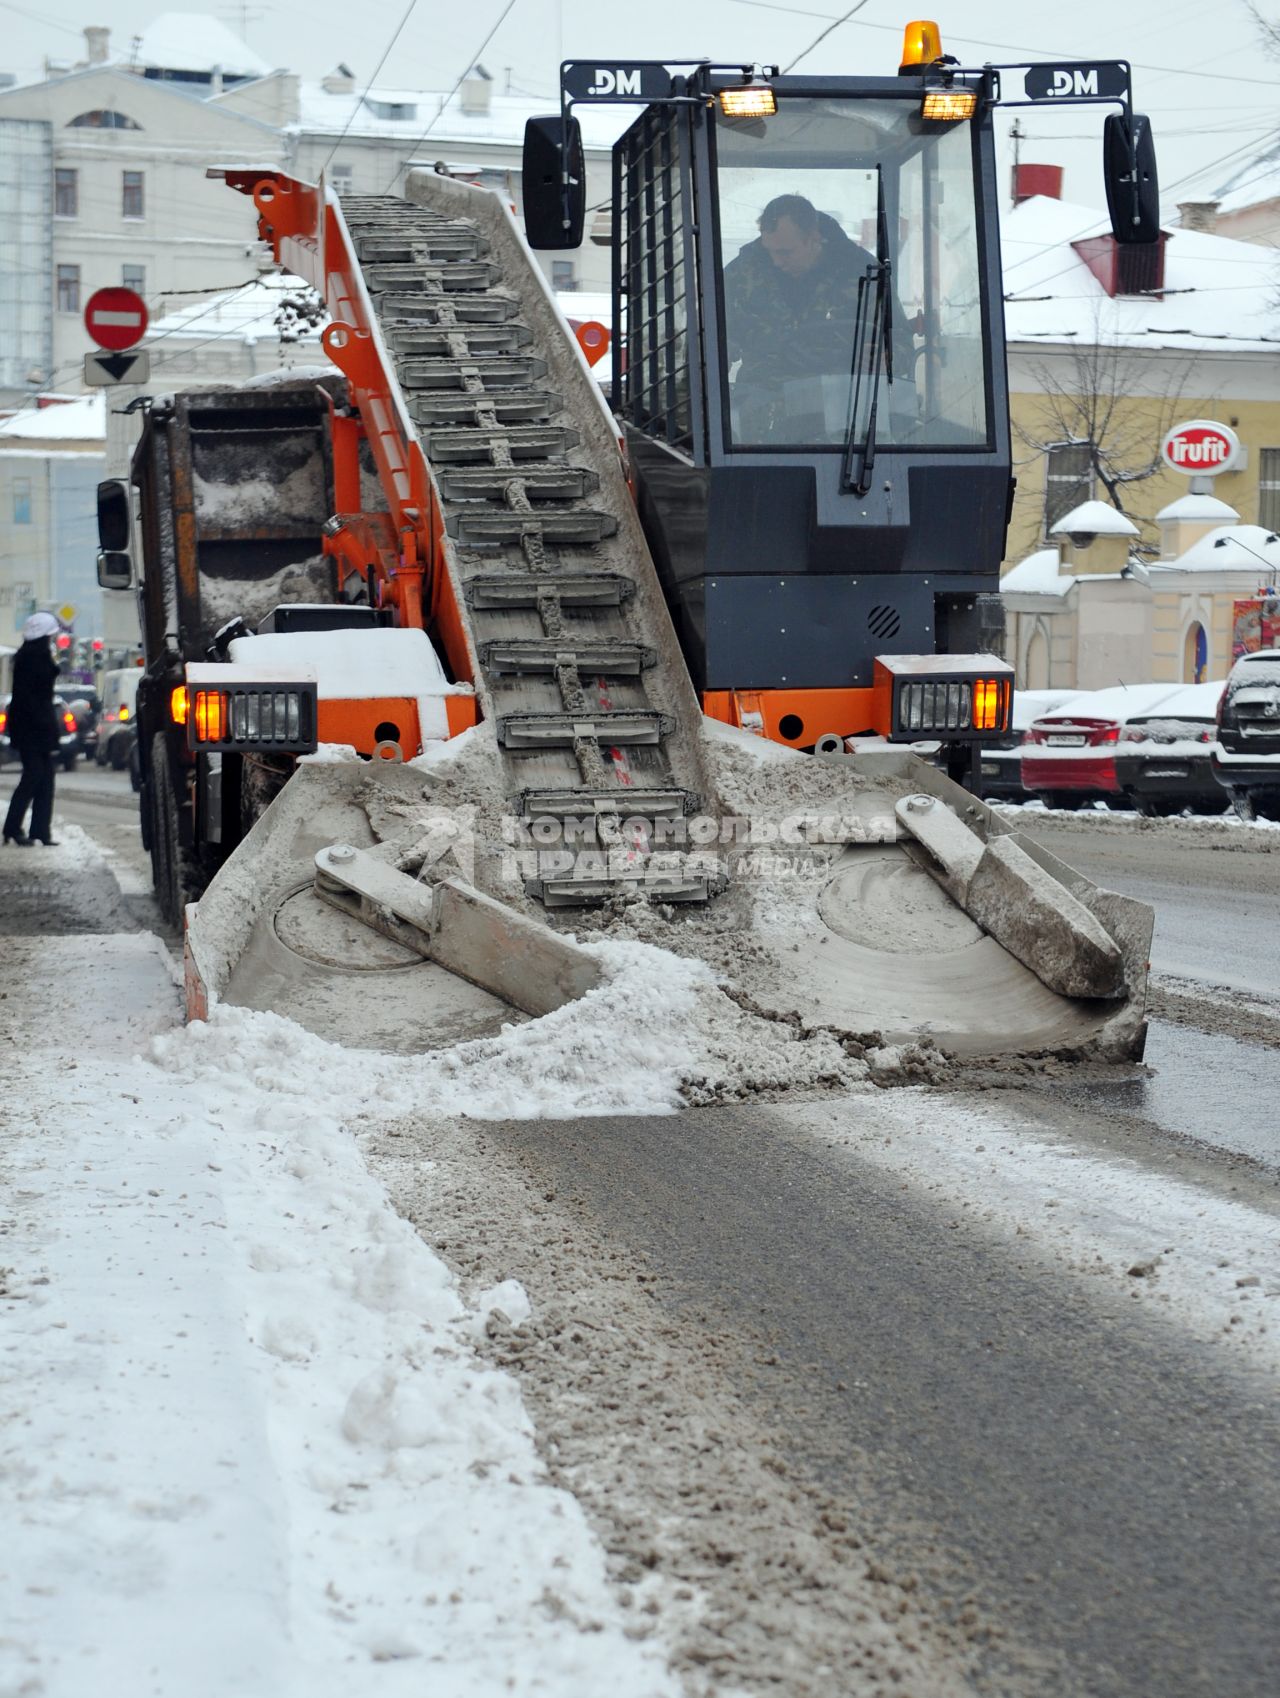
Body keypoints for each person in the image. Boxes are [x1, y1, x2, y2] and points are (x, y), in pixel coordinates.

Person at [723, 192, 910, 443]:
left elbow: (900, 344)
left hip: (844, 424)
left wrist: (884, 358)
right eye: (770, 251)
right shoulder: (741, 274)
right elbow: (708, 345)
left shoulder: (863, 273)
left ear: (814, 238)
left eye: (786, 252)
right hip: (761, 425)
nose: (776, 261)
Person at [3, 611, 62, 847]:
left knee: (44, 777)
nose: (52, 640)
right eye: (50, 636)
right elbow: (33, 699)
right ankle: (13, 827)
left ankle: (39, 831)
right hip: (33, 729)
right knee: (35, 776)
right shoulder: (34, 658)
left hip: (33, 729)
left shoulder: (30, 656)